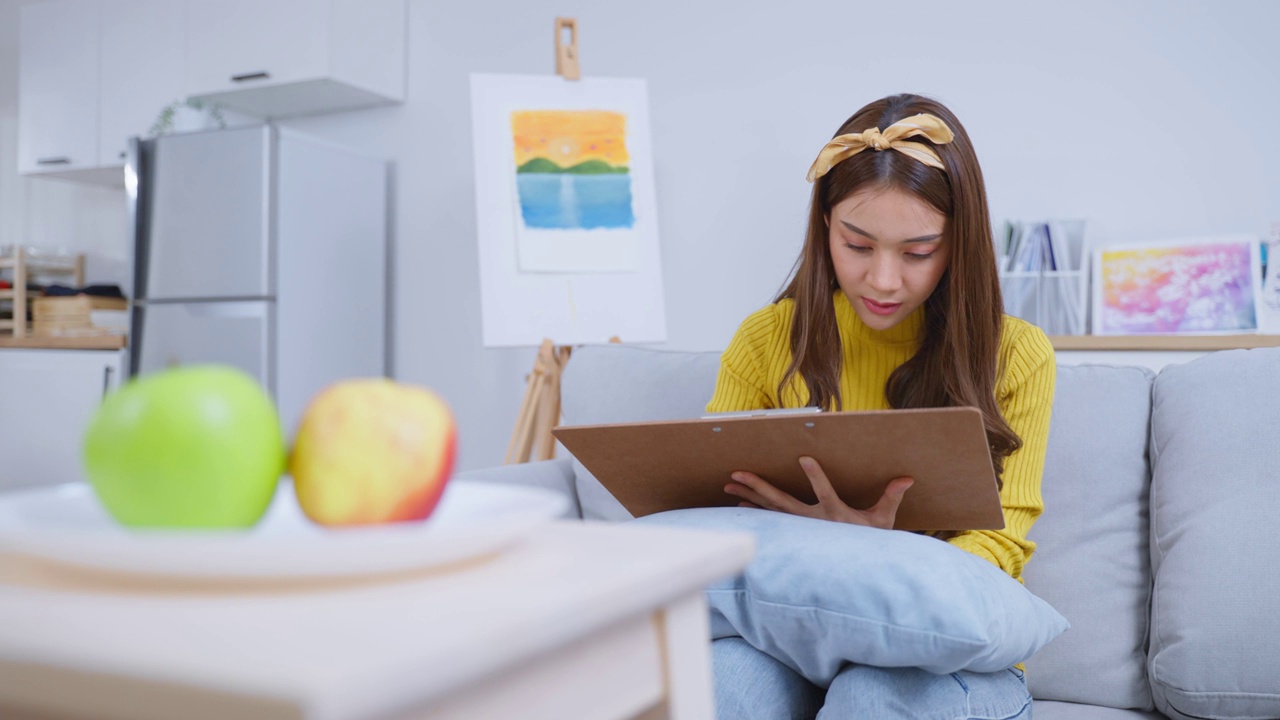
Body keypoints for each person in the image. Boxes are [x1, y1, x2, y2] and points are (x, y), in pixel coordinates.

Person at [705, 93, 1055, 719]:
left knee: (871, 696)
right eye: (858, 246)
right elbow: (712, 515)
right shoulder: (766, 341)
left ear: (959, 246)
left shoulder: (1016, 356)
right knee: (718, 684)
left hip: (948, 652)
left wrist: (880, 557)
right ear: (824, 228)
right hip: (792, 635)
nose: (885, 280)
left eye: (919, 252)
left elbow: (1001, 546)